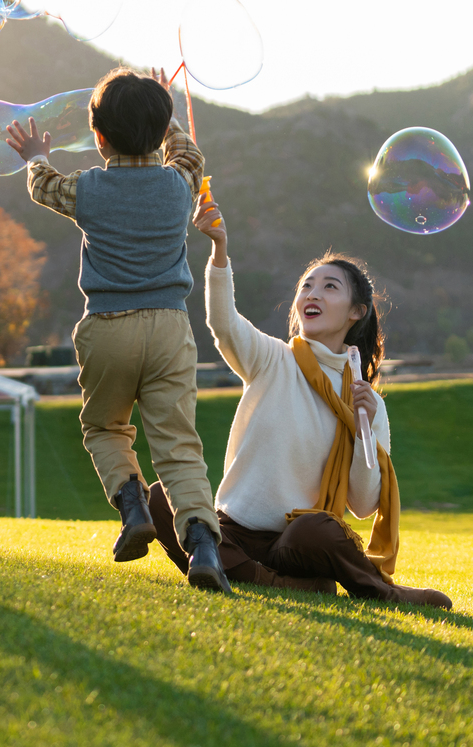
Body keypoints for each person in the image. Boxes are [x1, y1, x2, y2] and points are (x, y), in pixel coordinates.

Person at [148, 188, 452, 608]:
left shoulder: (367, 402)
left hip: (296, 543)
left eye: (330, 287)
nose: (313, 293)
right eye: (307, 285)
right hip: (231, 530)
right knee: (161, 498)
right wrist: (219, 250)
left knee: (319, 530)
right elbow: (223, 322)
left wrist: (362, 428)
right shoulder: (273, 359)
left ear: (355, 311)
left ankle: (382, 591)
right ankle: (281, 584)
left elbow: (362, 505)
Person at [5, 67, 231, 593]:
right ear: (161, 133)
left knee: (105, 428)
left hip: (107, 327)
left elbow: (43, 187)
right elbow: (190, 154)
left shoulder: (89, 189)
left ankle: (133, 508)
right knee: (178, 446)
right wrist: (170, 116)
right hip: (171, 328)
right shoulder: (180, 185)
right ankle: (203, 546)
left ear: (98, 137)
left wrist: (35, 155)